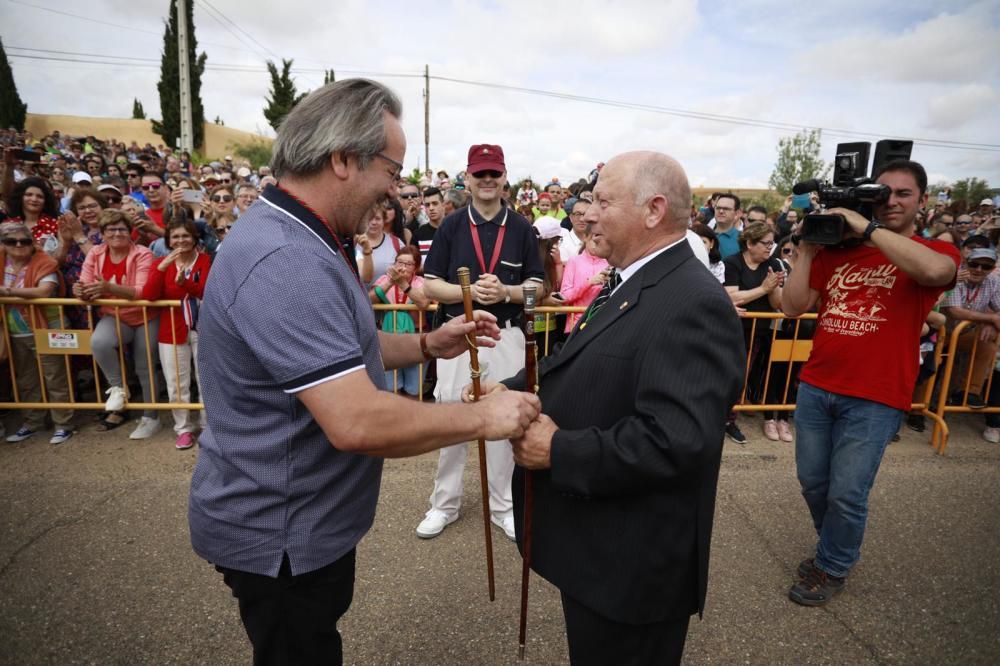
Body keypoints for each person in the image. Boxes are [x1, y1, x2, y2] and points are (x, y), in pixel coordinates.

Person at [187, 79, 539, 666]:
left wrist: (428, 343)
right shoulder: (286, 258)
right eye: (392, 171)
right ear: (343, 159)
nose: (395, 192)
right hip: (281, 536)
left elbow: (343, 346)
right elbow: (355, 421)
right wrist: (482, 416)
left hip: (299, 526)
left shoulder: (302, 234)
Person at [487, 151, 744, 665]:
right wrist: (511, 386)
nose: (587, 213)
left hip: (633, 571)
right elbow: (587, 365)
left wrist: (559, 450)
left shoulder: (692, 301)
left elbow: (677, 440)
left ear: (653, 210)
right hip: (599, 556)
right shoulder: (630, 280)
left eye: (603, 201)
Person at [781, 160, 960, 607]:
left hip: (876, 396)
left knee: (847, 492)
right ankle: (834, 548)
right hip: (818, 385)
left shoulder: (928, 250)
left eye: (903, 194)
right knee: (813, 483)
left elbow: (937, 274)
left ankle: (833, 565)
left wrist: (868, 226)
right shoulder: (836, 252)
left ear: (922, 200)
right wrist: (805, 249)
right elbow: (791, 307)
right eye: (883, 193)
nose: (892, 201)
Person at [416, 143, 546, 541]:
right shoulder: (452, 226)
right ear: (468, 178)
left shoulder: (523, 228)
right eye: (480, 175)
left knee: (505, 420)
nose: (487, 181)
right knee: (451, 418)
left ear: (504, 177)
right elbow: (430, 282)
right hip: (459, 332)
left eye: (494, 174)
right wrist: (467, 294)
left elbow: (537, 289)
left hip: (505, 334)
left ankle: (503, 506)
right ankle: (444, 504)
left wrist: (506, 292)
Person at [74, 209, 160, 439]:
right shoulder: (95, 253)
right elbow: (85, 283)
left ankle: (151, 416)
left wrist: (109, 288)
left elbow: (142, 291)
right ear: (102, 233)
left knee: (145, 367)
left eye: (122, 228)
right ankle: (119, 390)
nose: (117, 233)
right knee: (99, 342)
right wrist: (80, 290)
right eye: (111, 229)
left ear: (130, 232)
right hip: (115, 315)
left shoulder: (142, 253)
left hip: (144, 316)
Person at [0, 221, 74, 445]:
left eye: (24, 241)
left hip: (47, 327)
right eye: (11, 241)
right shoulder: (1, 262)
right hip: (14, 330)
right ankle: (32, 422)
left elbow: (45, 290)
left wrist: (8, 292)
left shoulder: (45, 261)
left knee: (55, 377)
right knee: (25, 379)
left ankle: (63, 424)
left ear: (32, 242)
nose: (18, 245)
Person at [140, 220, 212, 450]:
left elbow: (207, 291)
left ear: (194, 238)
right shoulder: (161, 262)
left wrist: (186, 283)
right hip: (171, 328)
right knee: (175, 382)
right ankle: (183, 428)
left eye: (185, 236)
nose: (181, 241)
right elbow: (149, 296)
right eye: (175, 237)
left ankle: (208, 426)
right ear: (168, 240)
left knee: (206, 379)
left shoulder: (205, 260)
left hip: (203, 328)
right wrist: (161, 271)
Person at [724, 222, 789, 442]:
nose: (770, 248)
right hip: (733, 331)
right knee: (729, 375)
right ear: (750, 243)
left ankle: (729, 418)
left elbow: (777, 302)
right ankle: (723, 418)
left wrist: (772, 287)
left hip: (758, 332)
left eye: (772, 243)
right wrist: (762, 289)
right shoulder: (732, 263)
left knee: (743, 376)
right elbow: (732, 297)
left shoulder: (772, 264)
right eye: (765, 243)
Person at [370, 245, 430, 397]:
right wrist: (391, 282)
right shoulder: (384, 279)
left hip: (416, 339)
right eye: (399, 262)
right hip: (388, 339)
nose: (402, 267)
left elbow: (423, 303)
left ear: (415, 267)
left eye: (408, 264)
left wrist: (403, 284)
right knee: (391, 388)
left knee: (414, 388)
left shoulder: (421, 282)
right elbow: (369, 300)